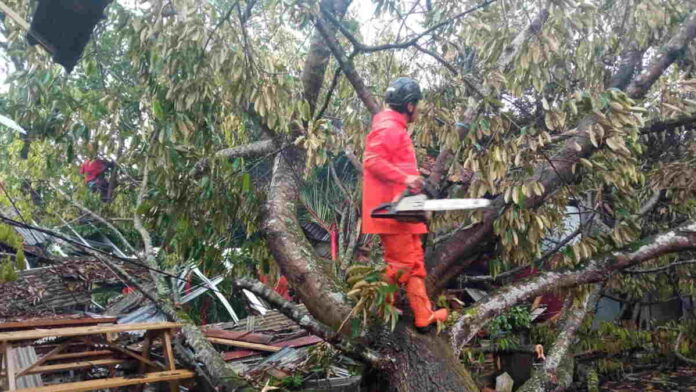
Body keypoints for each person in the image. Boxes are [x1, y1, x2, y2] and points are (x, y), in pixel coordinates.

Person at [361, 77, 448, 331]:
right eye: (417, 104)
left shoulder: (395, 128)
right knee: (401, 264)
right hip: (392, 211)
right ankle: (379, 306)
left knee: (414, 262)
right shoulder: (388, 127)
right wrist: (406, 178)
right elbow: (372, 160)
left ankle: (423, 313)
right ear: (409, 105)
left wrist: (414, 182)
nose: (418, 109)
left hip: (404, 209)